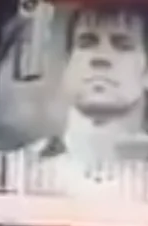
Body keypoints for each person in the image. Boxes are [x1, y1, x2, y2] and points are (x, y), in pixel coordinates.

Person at [18, 7, 148, 192]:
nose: (100, 58)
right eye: (86, 43)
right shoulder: (21, 172)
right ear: (67, 63)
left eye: (122, 45)